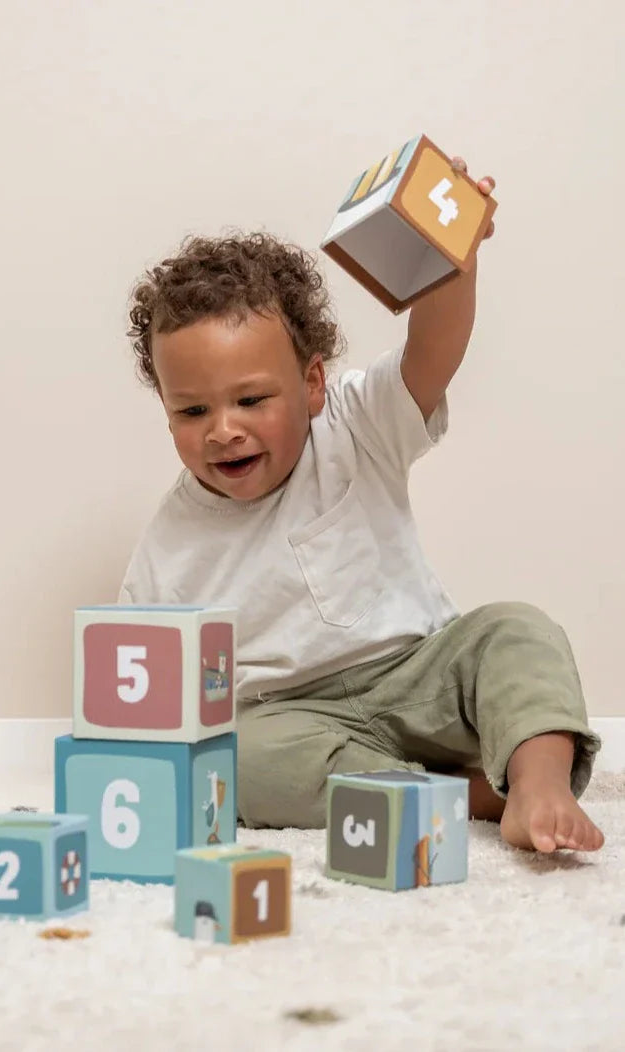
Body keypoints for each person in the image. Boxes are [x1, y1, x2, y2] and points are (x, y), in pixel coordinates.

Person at [117, 159, 604, 853]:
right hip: (296, 717)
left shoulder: (353, 423)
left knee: (516, 632)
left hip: (422, 674)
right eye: (193, 410)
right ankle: (474, 796)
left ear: (312, 383)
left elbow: (433, 347)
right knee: (237, 759)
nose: (224, 428)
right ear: (167, 418)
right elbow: (138, 685)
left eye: (252, 400)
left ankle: (541, 782)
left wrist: (452, 262)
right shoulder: (168, 546)